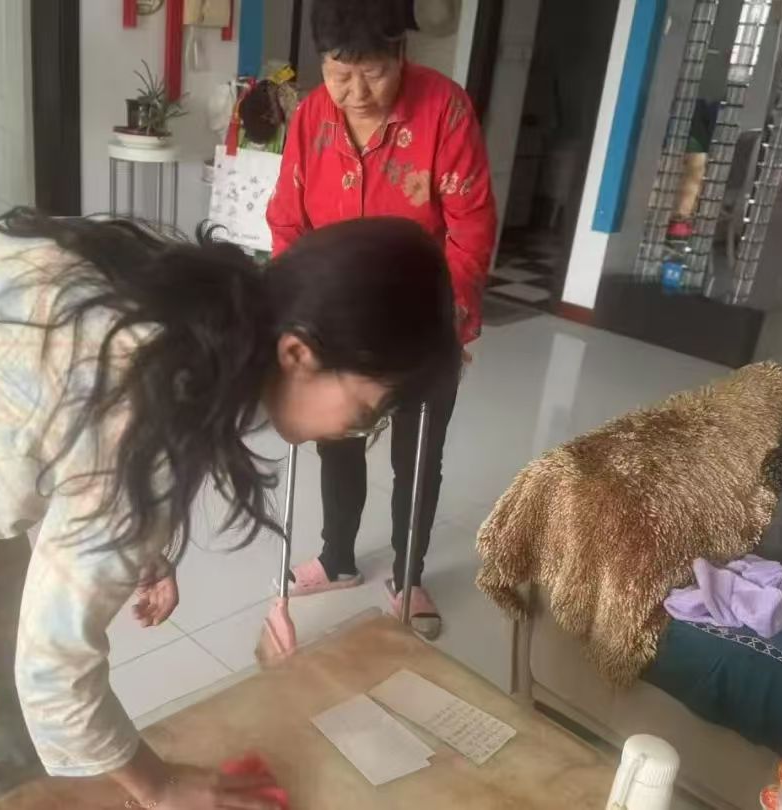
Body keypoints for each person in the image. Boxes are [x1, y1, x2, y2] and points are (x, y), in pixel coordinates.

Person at [0, 210, 461, 809]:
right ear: (298, 353)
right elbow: (57, 673)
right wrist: (160, 788)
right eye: (368, 410)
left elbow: (78, 431)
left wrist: (142, 540)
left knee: (1, 708)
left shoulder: (208, 308)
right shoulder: (145, 400)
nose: (355, 431)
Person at [266, 0, 497, 637]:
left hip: (422, 318)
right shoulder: (311, 116)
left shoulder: (445, 109)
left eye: (372, 72)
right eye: (339, 73)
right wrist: (293, 308)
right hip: (337, 321)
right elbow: (288, 221)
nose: (355, 92)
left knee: (417, 455)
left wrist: (444, 320)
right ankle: (337, 557)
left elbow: (471, 228)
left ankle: (408, 573)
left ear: (401, 52)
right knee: (334, 440)